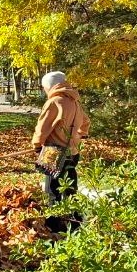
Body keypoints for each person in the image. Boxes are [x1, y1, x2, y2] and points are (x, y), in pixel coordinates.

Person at [31, 70, 90, 232]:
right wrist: (80, 136)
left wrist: (37, 145)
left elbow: (42, 128)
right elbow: (85, 122)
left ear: (50, 86)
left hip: (53, 151)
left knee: (52, 190)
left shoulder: (54, 102)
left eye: (45, 88)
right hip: (73, 152)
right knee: (70, 188)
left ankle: (54, 226)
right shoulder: (75, 102)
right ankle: (75, 223)